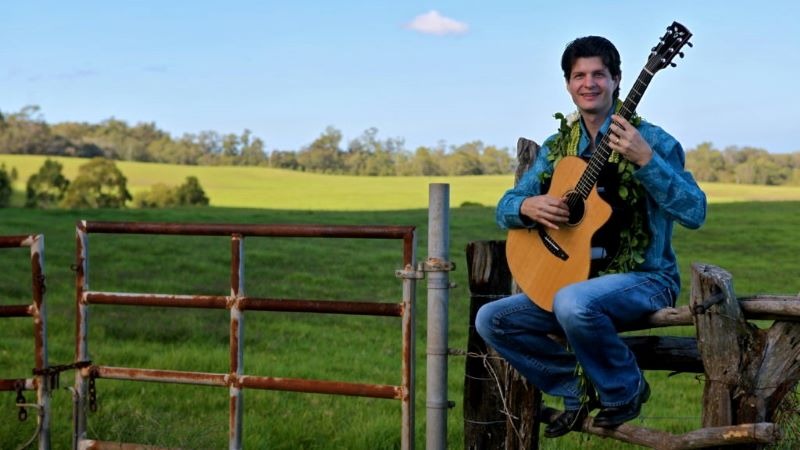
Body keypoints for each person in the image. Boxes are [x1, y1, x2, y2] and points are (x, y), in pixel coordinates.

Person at [475, 35, 706, 438]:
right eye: (579, 75)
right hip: (577, 281)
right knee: (493, 319)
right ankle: (575, 387)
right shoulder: (557, 146)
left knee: (572, 301)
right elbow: (505, 206)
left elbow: (694, 212)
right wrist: (526, 207)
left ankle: (625, 388)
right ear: (567, 84)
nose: (589, 83)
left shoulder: (654, 141)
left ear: (617, 80)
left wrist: (646, 161)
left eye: (599, 74)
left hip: (646, 279)